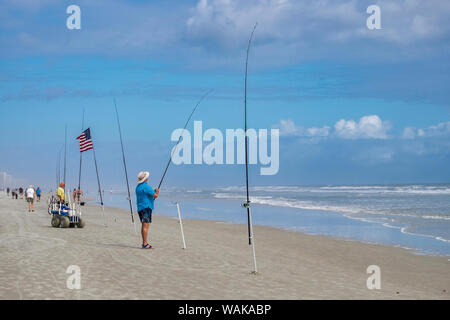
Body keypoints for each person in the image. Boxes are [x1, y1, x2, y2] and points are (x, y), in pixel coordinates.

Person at [135, 171, 159, 249]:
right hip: (146, 208)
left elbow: (146, 195)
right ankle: (145, 243)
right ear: (145, 179)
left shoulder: (138, 187)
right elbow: (155, 196)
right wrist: (157, 192)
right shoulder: (146, 186)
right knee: (145, 225)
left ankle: (144, 243)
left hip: (140, 208)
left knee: (143, 225)